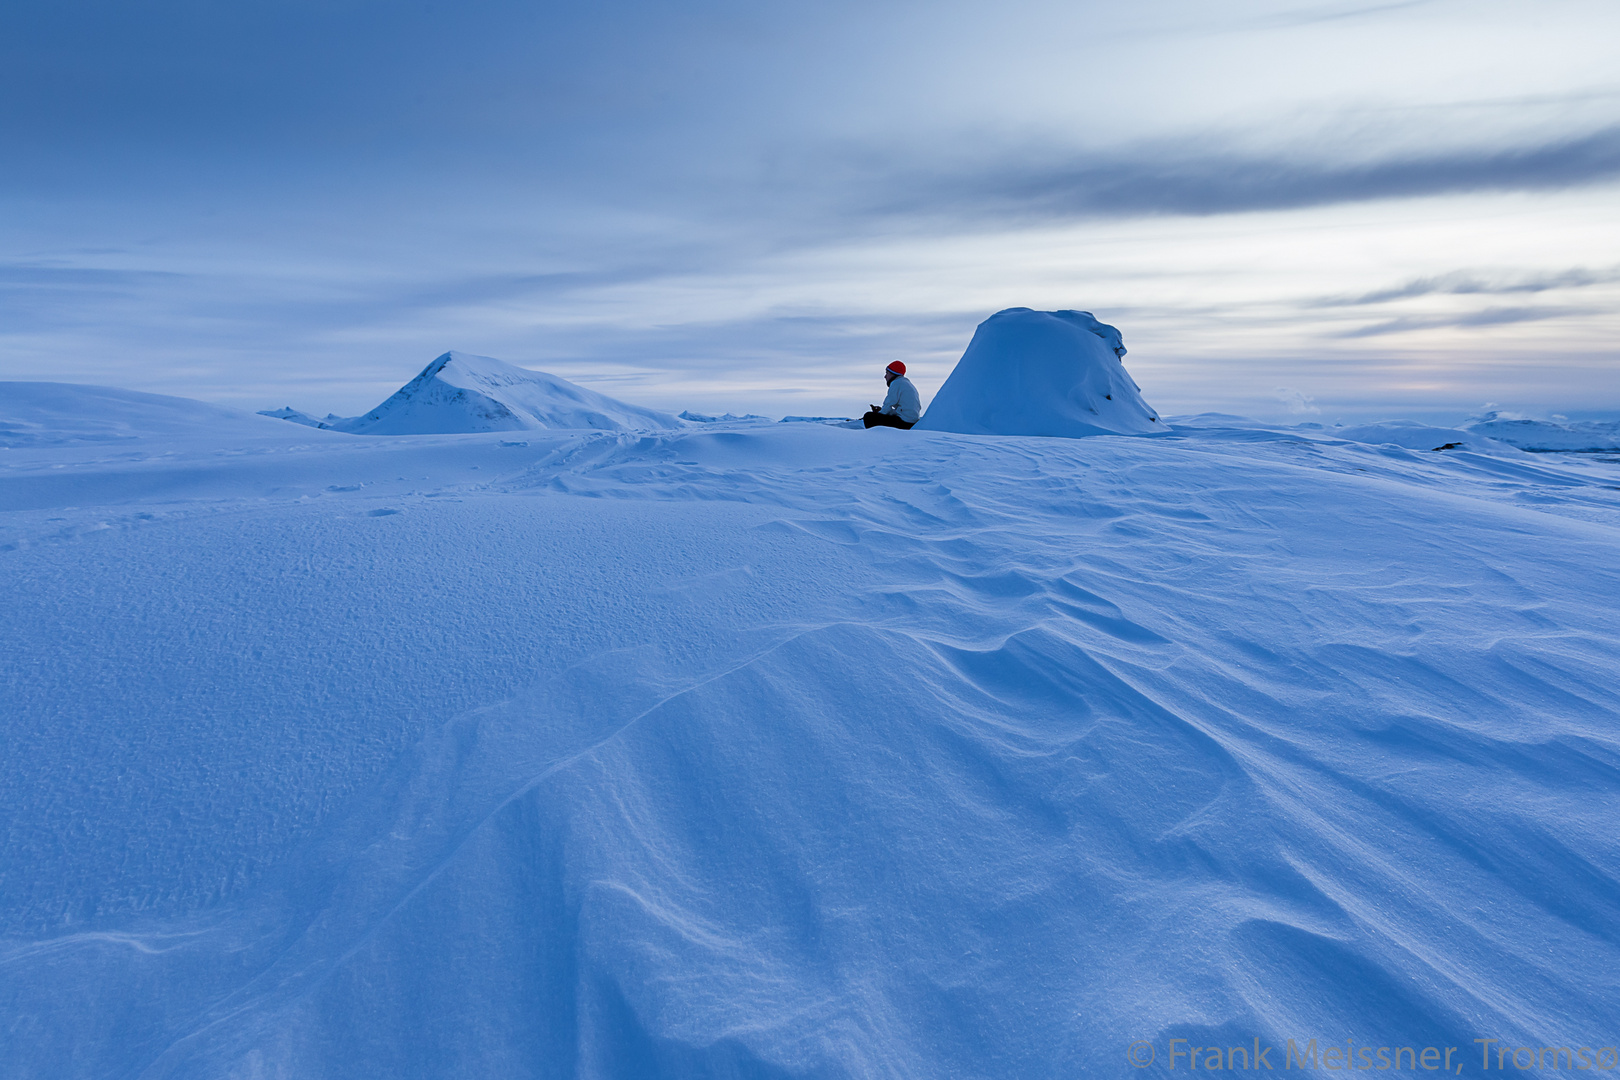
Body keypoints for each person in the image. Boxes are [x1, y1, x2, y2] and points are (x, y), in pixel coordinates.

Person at [863, 361, 922, 429]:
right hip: (911, 422)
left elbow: (888, 404)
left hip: (904, 423)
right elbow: (903, 411)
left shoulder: (896, 383)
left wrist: (879, 413)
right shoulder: (906, 384)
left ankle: (875, 435)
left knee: (868, 416)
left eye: (887, 373)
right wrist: (881, 411)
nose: (885, 376)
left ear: (893, 374)